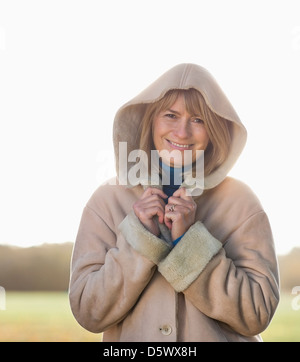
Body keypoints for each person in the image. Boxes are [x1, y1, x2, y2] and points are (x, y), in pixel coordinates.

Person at [69, 63, 280, 342]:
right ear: (150, 120)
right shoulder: (106, 200)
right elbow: (88, 311)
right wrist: (140, 240)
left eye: (198, 119)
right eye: (171, 115)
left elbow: (257, 312)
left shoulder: (241, 202)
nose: (182, 132)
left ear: (215, 129)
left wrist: (190, 244)